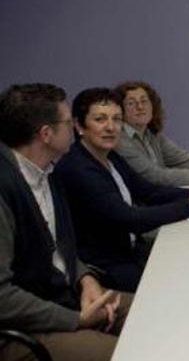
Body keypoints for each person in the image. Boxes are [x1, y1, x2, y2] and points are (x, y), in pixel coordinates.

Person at [0, 83, 130, 361]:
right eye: (69, 122)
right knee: (136, 353)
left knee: (160, 312)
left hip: (67, 298)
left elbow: (59, 248)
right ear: (47, 134)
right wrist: (76, 319)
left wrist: (87, 280)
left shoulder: (49, 172)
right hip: (24, 328)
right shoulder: (5, 187)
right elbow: (3, 298)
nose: (74, 127)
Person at [55, 88, 189, 292]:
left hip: (130, 249)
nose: (110, 127)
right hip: (105, 265)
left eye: (116, 119)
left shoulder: (108, 155)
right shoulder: (78, 168)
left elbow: (148, 191)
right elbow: (131, 219)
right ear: (79, 126)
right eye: (100, 119)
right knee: (183, 286)